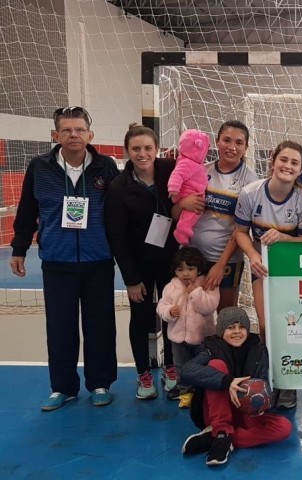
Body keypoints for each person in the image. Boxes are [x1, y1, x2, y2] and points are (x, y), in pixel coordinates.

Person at [10, 106, 119, 411]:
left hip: (98, 260)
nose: (74, 135)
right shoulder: (39, 167)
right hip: (57, 262)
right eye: (67, 130)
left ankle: (100, 383)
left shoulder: (106, 167)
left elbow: (118, 212)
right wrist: (19, 248)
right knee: (60, 327)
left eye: (80, 130)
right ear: (55, 135)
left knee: (100, 326)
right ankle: (63, 387)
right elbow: (27, 211)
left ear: (90, 134)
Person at [234, 140, 302, 409]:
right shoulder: (250, 193)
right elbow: (239, 233)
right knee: (267, 326)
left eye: (294, 162)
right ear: (272, 160)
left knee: (292, 326)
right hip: (263, 270)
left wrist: (282, 237)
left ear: (301, 169)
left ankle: (289, 383)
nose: (288, 166)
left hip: (293, 274)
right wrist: (253, 255)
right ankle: (270, 378)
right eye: (284, 160)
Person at [104, 123, 179, 400]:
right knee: (141, 317)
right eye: (136, 148)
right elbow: (117, 237)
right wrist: (131, 279)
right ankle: (144, 374)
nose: (142, 153)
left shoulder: (170, 171)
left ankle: (172, 367)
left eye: (148, 147)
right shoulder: (118, 188)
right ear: (127, 152)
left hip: (172, 262)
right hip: (139, 265)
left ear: (157, 149)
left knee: (174, 314)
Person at [181, 307, 292, 467]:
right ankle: (221, 431)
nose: (237, 332)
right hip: (216, 411)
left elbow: (264, 384)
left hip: (245, 411)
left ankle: (220, 438)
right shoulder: (209, 349)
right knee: (216, 365)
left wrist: (262, 400)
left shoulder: (258, 350)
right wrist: (227, 381)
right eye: (230, 327)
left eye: (241, 327)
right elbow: (187, 371)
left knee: (284, 427)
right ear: (220, 330)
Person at [182, 120, 260, 312]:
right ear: (217, 141)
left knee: (225, 314)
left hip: (226, 260)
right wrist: (183, 203)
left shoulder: (251, 181)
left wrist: (221, 264)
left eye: (239, 143)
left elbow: (241, 229)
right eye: (226, 140)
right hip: (194, 256)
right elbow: (180, 212)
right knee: (192, 314)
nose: (232, 147)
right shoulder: (201, 171)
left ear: (246, 147)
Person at [157, 247, 221, 409]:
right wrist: (169, 312)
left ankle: (203, 394)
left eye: (190, 269)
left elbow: (209, 307)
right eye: (180, 269)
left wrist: (195, 293)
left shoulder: (208, 285)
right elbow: (161, 307)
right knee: (181, 368)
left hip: (201, 339)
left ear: (199, 269)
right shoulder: (171, 287)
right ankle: (185, 393)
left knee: (203, 367)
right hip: (178, 339)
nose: (185, 273)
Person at [168, 129, 210, 245]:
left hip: (192, 194)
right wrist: (173, 188)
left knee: (194, 213)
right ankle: (182, 231)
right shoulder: (188, 162)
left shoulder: (192, 163)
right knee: (190, 215)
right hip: (188, 194)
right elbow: (177, 174)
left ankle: (184, 230)